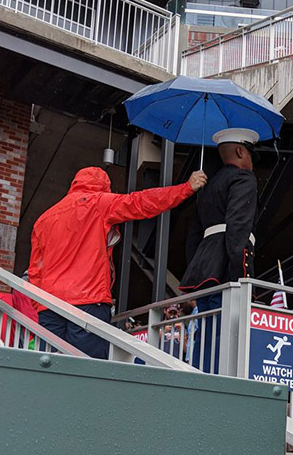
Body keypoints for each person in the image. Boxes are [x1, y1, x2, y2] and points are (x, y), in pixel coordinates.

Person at [29, 165, 206, 359]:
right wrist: (186, 188)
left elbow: (35, 272)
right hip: (88, 302)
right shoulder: (99, 202)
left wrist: (39, 305)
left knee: (48, 369)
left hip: (50, 306)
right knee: (87, 372)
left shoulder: (44, 219)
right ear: (104, 187)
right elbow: (142, 202)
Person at [180, 128, 259, 370]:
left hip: (205, 269)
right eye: (251, 153)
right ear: (240, 150)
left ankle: (200, 379)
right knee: (226, 336)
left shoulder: (207, 187)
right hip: (226, 268)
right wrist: (242, 277)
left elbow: (193, 235)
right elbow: (238, 231)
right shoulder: (244, 179)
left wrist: (196, 267)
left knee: (206, 334)